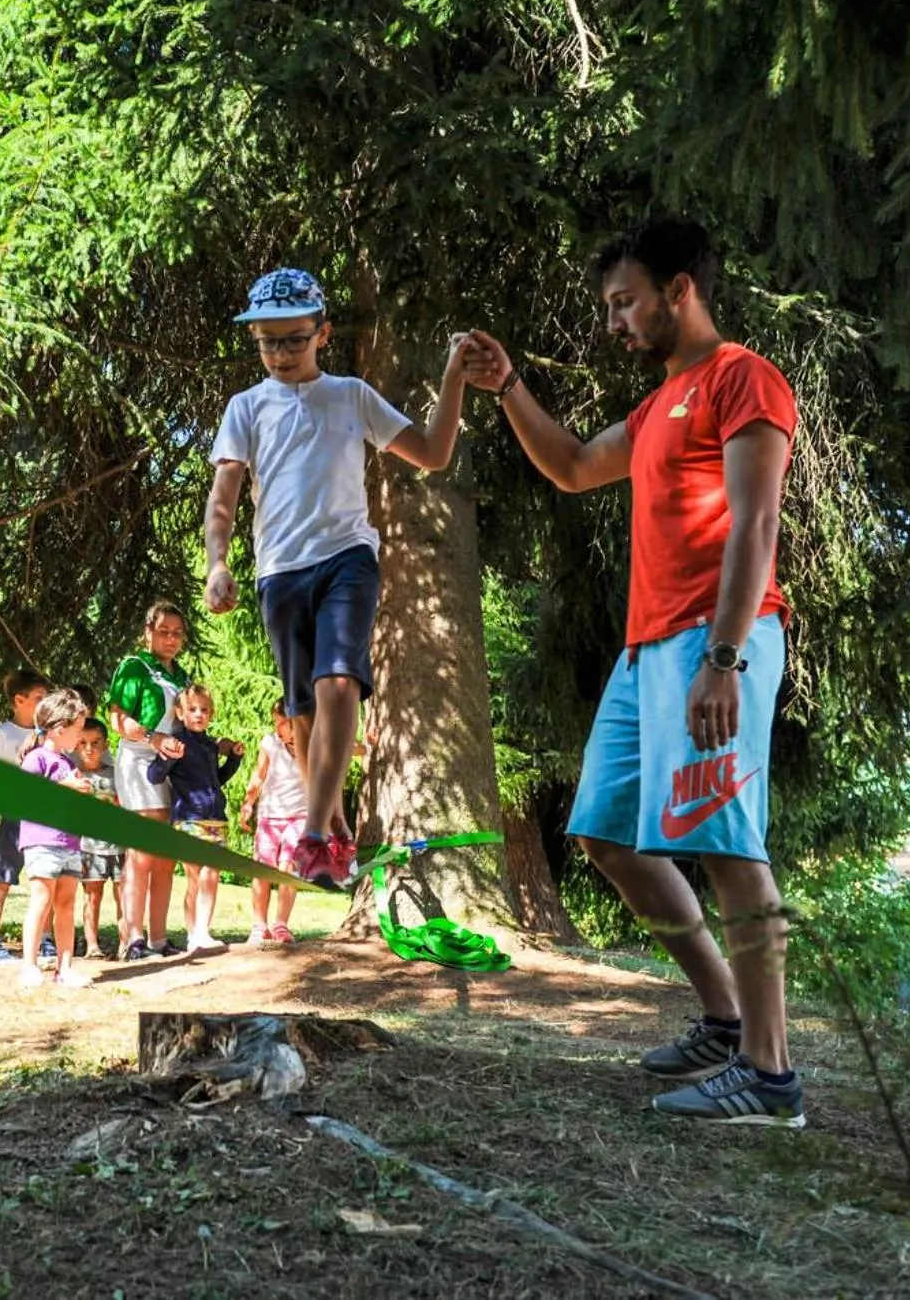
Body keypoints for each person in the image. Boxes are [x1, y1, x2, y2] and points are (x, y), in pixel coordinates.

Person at [460, 218, 804, 1128]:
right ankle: (727, 1018)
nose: (615, 322)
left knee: (730, 847)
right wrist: (509, 388)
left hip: (715, 641)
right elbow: (573, 466)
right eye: (609, 306)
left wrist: (724, 659)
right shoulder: (658, 407)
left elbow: (754, 525)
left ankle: (771, 1080)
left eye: (626, 301)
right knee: (608, 833)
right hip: (648, 646)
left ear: (679, 289)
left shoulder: (742, 378)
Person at [203, 267, 473, 887]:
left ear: (322, 332)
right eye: (267, 341)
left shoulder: (351, 396)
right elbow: (224, 496)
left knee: (339, 685)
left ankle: (316, 833)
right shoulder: (246, 408)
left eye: (294, 339)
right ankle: (336, 825)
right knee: (301, 713)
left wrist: (453, 378)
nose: (280, 353)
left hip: (348, 557)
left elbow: (433, 453)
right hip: (278, 570)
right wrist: (219, 563)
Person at [105, 600, 193, 960]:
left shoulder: (182, 676)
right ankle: (133, 938)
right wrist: (152, 739)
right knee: (141, 853)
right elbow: (117, 720)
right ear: (148, 633)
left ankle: (158, 938)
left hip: (174, 766)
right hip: (140, 761)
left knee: (165, 856)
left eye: (177, 633)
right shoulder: (134, 668)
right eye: (163, 632)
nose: (171, 639)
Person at [145, 684, 245, 953]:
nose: (199, 714)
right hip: (189, 820)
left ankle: (203, 931)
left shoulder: (211, 746)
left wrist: (233, 760)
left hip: (216, 820)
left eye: (204, 710)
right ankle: (193, 934)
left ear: (210, 715)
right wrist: (168, 758)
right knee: (195, 878)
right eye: (192, 709)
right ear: (179, 712)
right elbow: (154, 776)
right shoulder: (177, 743)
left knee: (212, 876)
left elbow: (217, 780)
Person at [14, 690, 94, 989]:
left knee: (66, 904)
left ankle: (65, 968)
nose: (79, 737)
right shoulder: (37, 758)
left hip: (70, 843)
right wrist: (65, 785)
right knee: (42, 900)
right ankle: (29, 966)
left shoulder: (65, 761)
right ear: (60, 729)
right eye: (77, 730)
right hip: (42, 841)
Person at [0, 668, 49, 965]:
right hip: (14, 818)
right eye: (39, 699)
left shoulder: (48, 735)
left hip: (44, 819)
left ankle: (46, 940)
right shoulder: (3, 734)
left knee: (47, 879)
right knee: (3, 878)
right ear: (19, 700)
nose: (44, 704)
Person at [239, 703, 307, 945]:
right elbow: (259, 775)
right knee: (262, 869)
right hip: (269, 816)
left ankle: (281, 925)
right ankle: (259, 926)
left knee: (288, 867)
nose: (276, 726)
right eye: (274, 721)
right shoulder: (270, 743)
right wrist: (248, 803)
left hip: (300, 817)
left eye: (281, 721)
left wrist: (369, 745)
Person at [73, 716, 124, 958]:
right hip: (89, 846)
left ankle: (127, 942)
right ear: (75, 745)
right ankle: (92, 944)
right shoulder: (73, 776)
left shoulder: (117, 774)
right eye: (83, 743)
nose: (89, 749)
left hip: (120, 845)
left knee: (123, 895)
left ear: (105, 744)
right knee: (92, 895)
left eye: (95, 742)